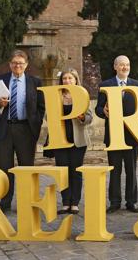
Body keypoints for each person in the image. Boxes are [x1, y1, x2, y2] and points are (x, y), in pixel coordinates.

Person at [0, 50, 45, 212]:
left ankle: (28, 202)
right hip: (5, 128)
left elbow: (42, 106)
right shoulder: (1, 79)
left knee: (26, 168)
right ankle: (5, 203)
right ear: (10, 64)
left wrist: (36, 123)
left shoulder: (35, 82)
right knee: (5, 167)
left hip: (26, 129)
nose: (17, 66)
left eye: (20, 63)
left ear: (26, 65)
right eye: (14, 63)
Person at [95, 55, 138, 213]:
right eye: (122, 65)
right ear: (115, 67)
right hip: (113, 135)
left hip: (132, 134)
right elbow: (98, 109)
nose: (125, 67)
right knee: (114, 169)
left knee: (131, 169)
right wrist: (103, 111)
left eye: (127, 65)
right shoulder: (105, 85)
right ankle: (115, 201)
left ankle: (132, 201)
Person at [49, 69, 92, 215]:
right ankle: (65, 202)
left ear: (75, 80)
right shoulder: (55, 95)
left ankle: (75, 203)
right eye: (65, 78)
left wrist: (81, 118)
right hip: (59, 139)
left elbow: (89, 118)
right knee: (62, 171)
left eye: (70, 78)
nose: (67, 81)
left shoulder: (82, 95)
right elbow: (47, 117)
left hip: (77, 139)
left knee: (75, 171)